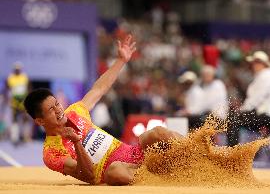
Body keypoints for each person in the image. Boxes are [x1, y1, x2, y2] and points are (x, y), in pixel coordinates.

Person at [24, 35, 181, 185]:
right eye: (51, 109)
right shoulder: (51, 153)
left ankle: (194, 150)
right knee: (115, 171)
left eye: (57, 104)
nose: (58, 110)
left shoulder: (75, 112)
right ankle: (157, 173)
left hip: (134, 153)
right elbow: (88, 175)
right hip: (120, 172)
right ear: (39, 121)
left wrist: (121, 60)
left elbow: (98, 89)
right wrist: (77, 142)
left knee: (157, 133)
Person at [227, 51, 270, 147]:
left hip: (267, 116)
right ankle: (235, 150)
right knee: (234, 116)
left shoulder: (266, 76)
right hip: (266, 114)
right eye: (253, 63)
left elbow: (256, 99)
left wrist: (241, 110)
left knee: (233, 118)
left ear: (262, 64)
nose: (253, 65)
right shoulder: (264, 76)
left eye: (256, 62)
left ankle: (232, 151)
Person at [6, 62, 31, 145]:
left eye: (18, 69)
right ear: (14, 69)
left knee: (25, 118)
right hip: (14, 102)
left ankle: (25, 136)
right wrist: (7, 98)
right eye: (16, 69)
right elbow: (7, 89)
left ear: (20, 69)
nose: (17, 70)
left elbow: (29, 88)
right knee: (15, 118)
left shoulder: (24, 77)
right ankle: (14, 137)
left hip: (23, 101)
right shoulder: (10, 78)